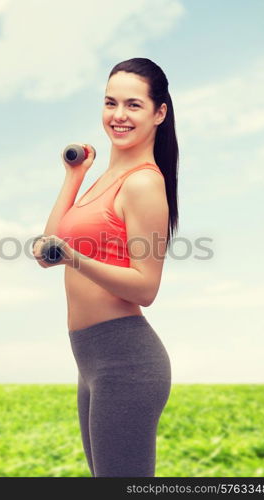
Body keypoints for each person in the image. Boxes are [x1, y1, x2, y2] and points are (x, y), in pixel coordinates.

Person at [33, 57, 179, 477]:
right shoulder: (103, 180)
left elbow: (145, 288)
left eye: (133, 105)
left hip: (128, 362)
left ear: (159, 113)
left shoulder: (144, 182)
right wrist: (74, 175)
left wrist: (74, 257)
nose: (118, 116)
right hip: (92, 361)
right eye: (110, 102)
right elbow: (46, 251)